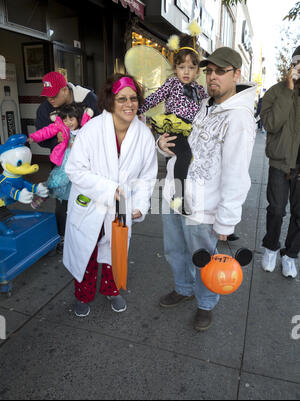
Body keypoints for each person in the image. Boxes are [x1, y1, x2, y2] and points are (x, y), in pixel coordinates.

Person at [157, 47, 256, 332]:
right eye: (209, 71)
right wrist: (161, 146)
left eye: (220, 72)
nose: (212, 77)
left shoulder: (238, 118)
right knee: (174, 251)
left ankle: (205, 304)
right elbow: (186, 147)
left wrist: (227, 220)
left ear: (236, 74)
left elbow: (237, 175)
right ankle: (183, 287)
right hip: (175, 194)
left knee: (204, 261)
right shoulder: (205, 104)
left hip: (202, 206)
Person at [63, 74, 158, 317]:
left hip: (122, 206)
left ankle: (111, 290)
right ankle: (83, 295)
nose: (129, 104)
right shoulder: (91, 131)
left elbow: (147, 177)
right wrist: (108, 189)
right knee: (88, 252)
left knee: (115, 252)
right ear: (110, 101)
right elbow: (74, 169)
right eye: (122, 99)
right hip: (90, 204)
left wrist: (140, 204)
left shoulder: (144, 136)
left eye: (133, 98)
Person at [138, 33, 207, 214]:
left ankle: (180, 195)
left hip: (190, 131)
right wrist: (138, 108)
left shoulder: (199, 90)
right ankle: (179, 198)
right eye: (182, 67)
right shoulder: (172, 83)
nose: (186, 71)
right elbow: (155, 97)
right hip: (174, 127)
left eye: (191, 68)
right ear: (175, 68)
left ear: (197, 71)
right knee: (184, 156)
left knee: (184, 160)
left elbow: (209, 108)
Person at [260, 46, 300, 279]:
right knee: (276, 210)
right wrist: (289, 90)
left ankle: (290, 255)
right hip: (280, 162)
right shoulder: (276, 92)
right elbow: (271, 124)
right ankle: (271, 247)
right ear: (292, 65)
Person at [28, 103, 92, 244]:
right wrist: (33, 137)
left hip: (80, 169)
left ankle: (76, 233)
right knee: (58, 183)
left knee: (71, 199)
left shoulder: (86, 129)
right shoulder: (60, 128)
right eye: (65, 120)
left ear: (78, 119)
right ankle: (44, 191)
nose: (68, 122)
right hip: (65, 164)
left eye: (71, 119)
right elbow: (46, 131)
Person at [35, 71, 99, 151]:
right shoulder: (45, 108)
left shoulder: (89, 99)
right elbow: (40, 138)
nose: (50, 99)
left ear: (65, 90)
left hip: (90, 154)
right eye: (47, 95)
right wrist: (56, 139)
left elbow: (103, 129)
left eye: (54, 95)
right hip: (61, 159)